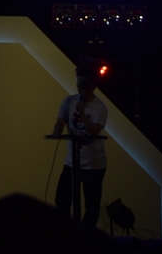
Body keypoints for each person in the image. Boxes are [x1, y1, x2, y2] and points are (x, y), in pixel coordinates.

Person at [52, 61, 108, 226]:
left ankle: (85, 236)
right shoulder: (68, 101)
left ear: (93, 87)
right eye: (79, 87)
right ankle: (68, 234)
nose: (82, 91)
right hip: (72, 162)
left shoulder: (100, 107)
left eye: (86, 88)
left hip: (94, 164)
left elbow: (94, 130)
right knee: (61, 200)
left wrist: (82, 110)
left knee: (92, 205)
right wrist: (57, 130)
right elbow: (60, 121)